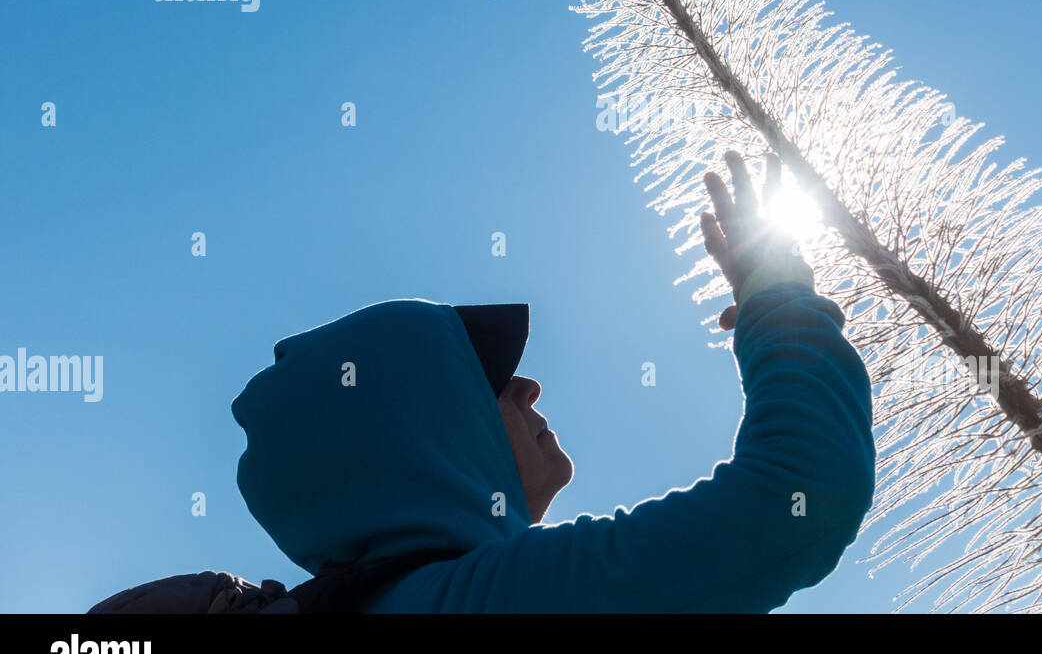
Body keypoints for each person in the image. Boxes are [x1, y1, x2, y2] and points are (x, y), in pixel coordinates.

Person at [231, 151, 875, 612]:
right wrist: (780, 299)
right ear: (409, 442)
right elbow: (800, 493)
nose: (527, 389)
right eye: (487, 383)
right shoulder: (488, 597)